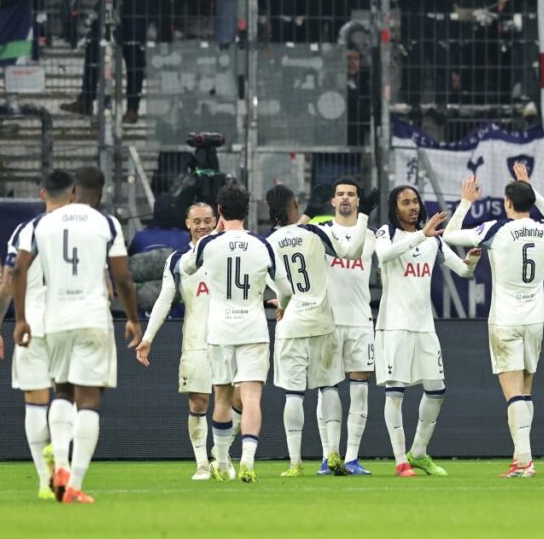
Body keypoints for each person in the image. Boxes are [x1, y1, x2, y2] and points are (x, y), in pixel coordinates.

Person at [13, 167, 142, 503]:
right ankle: (74, 483)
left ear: (71, 191)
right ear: (100, 192)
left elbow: (18, 269)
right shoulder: (106, 223)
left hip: (54, 321)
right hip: (92, 318)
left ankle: (60, 463)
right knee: (89, 400)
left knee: (62, 393)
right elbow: (123, 279)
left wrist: (21, 319)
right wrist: (132, 319)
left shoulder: (42, 224)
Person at [443, 163, 544, 478]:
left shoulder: (496, 229)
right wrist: (531, 187)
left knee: (513, 394)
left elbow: (451, 235)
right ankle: (520, 457)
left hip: (506, 320)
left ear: (508, 203)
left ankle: (525, 461)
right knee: (524, 392)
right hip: (536, 318)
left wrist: (466, 202)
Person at [180, 185, 291, 483]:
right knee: (252, 398)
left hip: (219, 330)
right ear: (247, 211)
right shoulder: (261, 244)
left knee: (223, 399)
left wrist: (213, 235)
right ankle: (248, 461)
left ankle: (222, 461)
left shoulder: (208, 244)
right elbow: (286, 289)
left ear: (219, 211)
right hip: (253, 328)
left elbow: (184, 266)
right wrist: (282, 305)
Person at [374, 185, 480, 477]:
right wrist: (422, 234)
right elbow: (384, 255)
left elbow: (463, 272)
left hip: (424, 326)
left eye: (415, 202)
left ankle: (418, 452)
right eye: (406, 202)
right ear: (395, 209)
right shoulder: (386, 232)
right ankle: (400, 461)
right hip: (394, 324)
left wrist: (472, 259)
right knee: (395, 394)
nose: (413, 207)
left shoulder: (432, 241)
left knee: (437, 391)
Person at [265, 184, 369, 477]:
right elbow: (350, 253)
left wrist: (282, 301)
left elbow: (276, 283)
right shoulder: (314, 233)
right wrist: (363, 219)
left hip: (291, 322)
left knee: (293, 395)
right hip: (322, 320)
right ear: (294, 206)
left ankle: (295, 463)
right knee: (329, 387)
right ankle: (334, 454)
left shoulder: (268, 242)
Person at [0, 169, 75, 500]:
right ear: (73, 194)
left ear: (42, 195)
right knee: (67, 396)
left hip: (33, 323)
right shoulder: (89, 229)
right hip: (71, 322)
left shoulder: (27, 230)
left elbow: (8, 280)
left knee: (35, 402)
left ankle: (43, 481)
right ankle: (62, 462)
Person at [135, 202, 221, 480]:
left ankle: (221, 456)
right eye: (197, 221)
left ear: (216, 220)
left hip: (230, 337)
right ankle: (202, 464)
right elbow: (164, 299)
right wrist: (148, 337)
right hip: (196, 340)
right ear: (187, 223)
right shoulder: (177, 260)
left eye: (208, 220)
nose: (203, 226)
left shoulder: (229, 253)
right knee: (198, 403)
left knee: (239, 401)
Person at [312, 177, 379, 476]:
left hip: (360, 320)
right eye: (340, 194)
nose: (345, 199)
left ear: (358, 200)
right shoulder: (322, 233)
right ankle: (329, 456)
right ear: (332, 201)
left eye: (351, 194)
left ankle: (351, 457)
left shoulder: (373, 236)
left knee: (360, 390)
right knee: (327, 389)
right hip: (329, 321)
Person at [60, 0, 167, 124]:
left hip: (137, 3)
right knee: (94, 46)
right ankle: (86, 98)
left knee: (133, 55)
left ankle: (132, 108)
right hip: (111, 2)